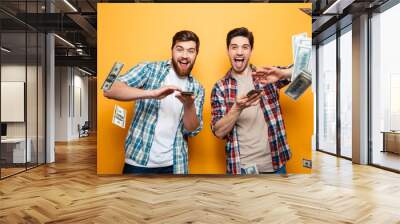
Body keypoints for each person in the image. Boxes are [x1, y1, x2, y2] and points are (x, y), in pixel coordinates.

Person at [104, 30, 205, 174]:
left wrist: (189, 106)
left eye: (191, 51)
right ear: (172, 50)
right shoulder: (150, 69)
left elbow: (191, 129)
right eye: (179, 49)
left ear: (196, 54)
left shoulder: (197, 88)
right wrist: (151, 93)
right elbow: (109, 89)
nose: (184, 55)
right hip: (138, 162)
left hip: (175, 165)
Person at [210, 27, 293, 175]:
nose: (239, 52)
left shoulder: (267, 76)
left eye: (245, 47)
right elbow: (218, 132)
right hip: (241, 169)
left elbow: (307, 72)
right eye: (234, 47)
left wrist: (283, 74)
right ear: (228, 51)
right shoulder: (220, 87)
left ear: (251, 51)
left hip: (276, 165)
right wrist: (237, 108)